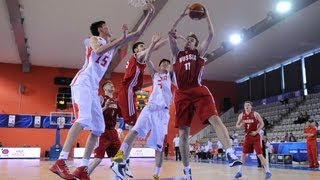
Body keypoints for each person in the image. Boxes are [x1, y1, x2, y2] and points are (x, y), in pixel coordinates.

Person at [49, 2, 155, 179]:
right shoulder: (94, 39)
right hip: (82, 82)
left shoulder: (113, 43)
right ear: (100, 29)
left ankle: (82, 168)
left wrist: (149, 15)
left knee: (98, 128)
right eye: (105, 25)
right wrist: (120, 40)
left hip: (92, 88)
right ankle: (60, 161)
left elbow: (137, 34)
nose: (108, 27)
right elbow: (98, 51)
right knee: (82, 119)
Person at [167, 5, 241, 179]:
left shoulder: (199, 53)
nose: (189, 41)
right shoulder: (176, 54)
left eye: (193, 40)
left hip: (198, 89)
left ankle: (230, 152)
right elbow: (170, 33)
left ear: (196, 44)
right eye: (188, 40)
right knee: (183, 133)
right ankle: (186, 171)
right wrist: (181, 15)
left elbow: (211, 35)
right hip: (182, 93)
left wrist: (207, 15)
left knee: (215, 118)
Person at [112, 34, 173, 180]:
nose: (165, 65)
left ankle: (156, 175)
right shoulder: (155, 74)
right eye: (162, 64)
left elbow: (169, 54)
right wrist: (152, 44)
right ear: (159, 67)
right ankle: (119, 161)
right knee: (133, 130)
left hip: (162, 114)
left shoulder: (171, 75)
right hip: (150, 108)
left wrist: (170, 39)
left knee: (159, 147)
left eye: (167, 64)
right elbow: (149, 55)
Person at [86, 81, 121, 179]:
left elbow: (116, 118)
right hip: (102, 132)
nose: (112, 85)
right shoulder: (100, 98)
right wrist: (105, 107)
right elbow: (95, 114)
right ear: (104, 88)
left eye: (113, 84)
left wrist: (117, 129)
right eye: (109, 84)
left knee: (119, 158)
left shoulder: (115, 102)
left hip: (113, 132)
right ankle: (84, 175)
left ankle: (118, 177)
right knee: (98, 159)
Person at [234, 101, 271, 179]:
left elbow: (262, 123)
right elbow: (237, 125)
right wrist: (240, 125)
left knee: (260, 155)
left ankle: (268, 171)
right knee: (243, 154)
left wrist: (256, 131)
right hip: (247, 137)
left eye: (248, 105)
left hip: (255, 137)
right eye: (245, 106)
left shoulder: (255, 114)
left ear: (251, 107)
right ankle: (239, 172)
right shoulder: (241, 115)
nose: (246, 107)